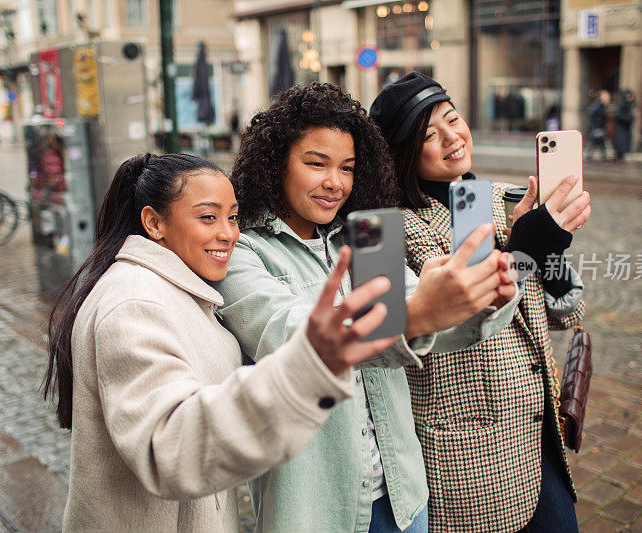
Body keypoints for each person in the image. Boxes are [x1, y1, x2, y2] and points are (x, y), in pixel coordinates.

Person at [213, 83, 520, 532]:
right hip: (315, 508)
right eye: (316, 164)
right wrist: (414, 314)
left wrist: (486, 297)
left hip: (404, 499)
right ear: (276, 163)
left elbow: (433, 328)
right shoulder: (243, 252)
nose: (334, 182)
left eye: (347, 168)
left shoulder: (368, 237)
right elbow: (286, 333)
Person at [43, 152, 401, 532]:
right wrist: (308, 370)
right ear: (154, 223)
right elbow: (170, 449)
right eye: (207, 217)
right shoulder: (134, 302)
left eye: (232, 217)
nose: (229, 233)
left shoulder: (182, 288)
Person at [370, 72, 591, 532]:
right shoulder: (381, 229)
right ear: (399, 152)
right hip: (468, 456)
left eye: (453, 119)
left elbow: (566, 311)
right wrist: (522, 256)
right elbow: (403, 337)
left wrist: (549, 249)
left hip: (539, 430)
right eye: (429, 134)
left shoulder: (499, 198)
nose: (453, 137)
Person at [585, 90, 609, 162]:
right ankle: (602, 157)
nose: (608, 99)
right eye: (606, 97)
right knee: (595, 142)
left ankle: (603, 157)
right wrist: (598, 123)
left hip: (597, 128)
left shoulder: (600, 105)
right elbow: (591, 112)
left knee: (598, 143)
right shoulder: (599, 105)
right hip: (597, 128)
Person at [613, 89, 635, 161]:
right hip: (621, 130)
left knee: (623, 146)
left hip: (625, 129)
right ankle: (619, 158)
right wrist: (629, 118)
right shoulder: (622, 105)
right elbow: (619, 115)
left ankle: (620, 157)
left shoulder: (629, 105)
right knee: (620, 146)